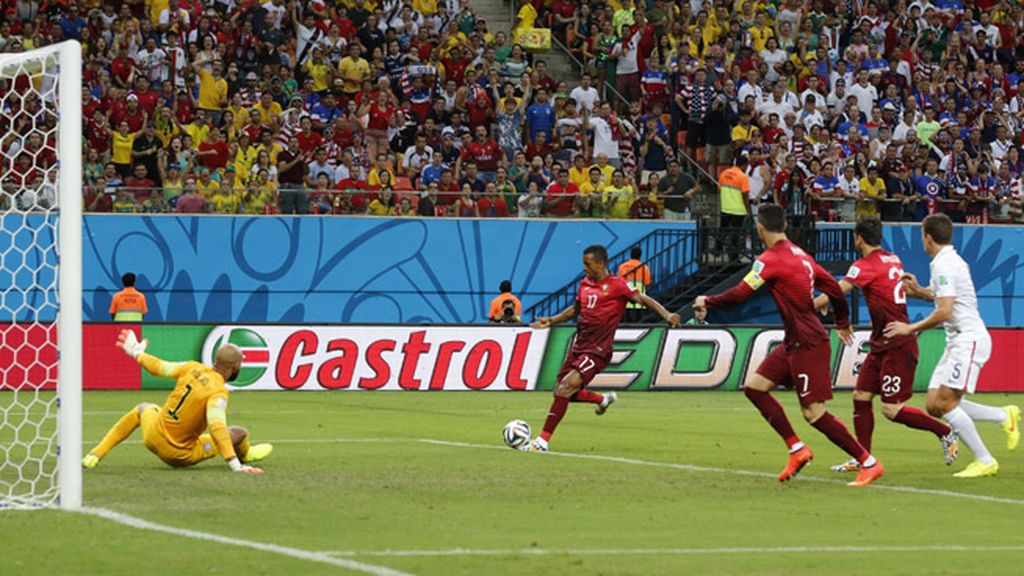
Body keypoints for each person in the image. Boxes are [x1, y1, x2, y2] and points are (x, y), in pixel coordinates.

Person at [694, 205, 884, 487]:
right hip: (794, 342)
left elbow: (740, 294)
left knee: (813, 413)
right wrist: (842, 320)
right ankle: (797, 449)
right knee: (755, 388)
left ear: (760, 228)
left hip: (808, 343)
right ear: (783, 226)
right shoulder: (801, 256)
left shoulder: (769, 259)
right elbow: (832, 286)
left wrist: (707, 301)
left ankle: (868, 462)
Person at [812, 217, 958, 472]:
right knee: (861, 397)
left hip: (898, 344)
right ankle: (863, 458)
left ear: (858, 238)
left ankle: (944, 431)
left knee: (891, 409)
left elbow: (839, 290)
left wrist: (811, 306)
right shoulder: (892, 259)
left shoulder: (864, 265)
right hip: (882, 342)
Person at [883, 214, 1020, 478]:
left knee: (946, 404)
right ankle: (1003, 415)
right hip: (957, 340)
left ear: (928, 237)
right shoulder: (946, 261)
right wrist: (918, 291)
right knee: (934, 404)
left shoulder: (945, 264)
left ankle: (985, 459)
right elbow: (941, 297)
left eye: (922, 235)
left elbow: (944, 311)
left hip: (968, 340)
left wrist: (909, 329)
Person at [526, 245, 681, 452]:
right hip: (580, 345)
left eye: (587, 264)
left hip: (598, 349)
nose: (584, 268)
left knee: (565, 388)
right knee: (561, 393)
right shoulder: (584, 284)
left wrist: (667, 314)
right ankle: (602, 398)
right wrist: (552, 320)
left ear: (600, 263)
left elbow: (643, 299)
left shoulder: (618, 286)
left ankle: (542, 441)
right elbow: (576, 309)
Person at [82, 330, 272, 473]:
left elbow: (158, 367)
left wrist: (136, 353)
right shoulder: (218, 392)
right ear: (235, 367)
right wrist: (235, 466)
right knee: (238, 433)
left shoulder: (191, 367)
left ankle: (95, 454)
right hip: (178, 454)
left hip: (153, 436)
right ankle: (244, 456)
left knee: (144, 408)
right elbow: (217, 428)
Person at [718, 156, 751, 260]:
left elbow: (720, 188)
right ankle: (734, 255)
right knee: (735, 233)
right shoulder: (743, 176)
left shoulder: (724, 173)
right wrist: (747, 209)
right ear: (745, 165)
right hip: (738, 209)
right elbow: (745, 194)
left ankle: (717, 250)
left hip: (725, 207)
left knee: (722, 230)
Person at [617, 247, 652, 323]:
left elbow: (619, 281)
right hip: (639, 297)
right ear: (640, 255)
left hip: (626, 296)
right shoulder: (645, 268)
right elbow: (647, 283)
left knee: (624, 318)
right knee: (639, 318)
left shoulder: (622, 267)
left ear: (630, 255)